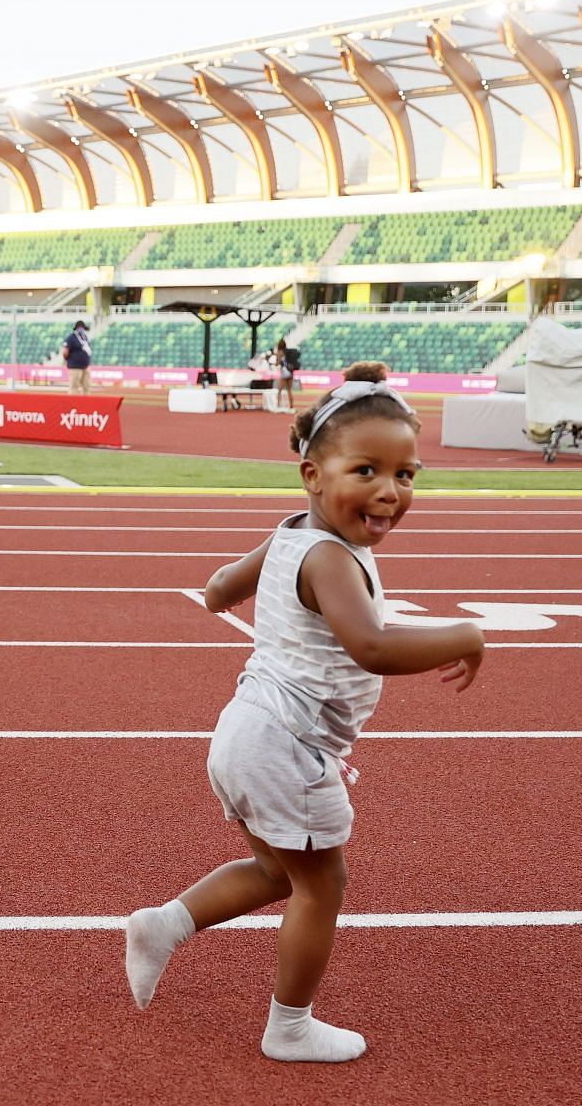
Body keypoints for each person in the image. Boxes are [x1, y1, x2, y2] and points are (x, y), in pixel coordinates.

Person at [121, 360, 485, 1062]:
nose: (388, 491)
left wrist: (229, 595)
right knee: (322, 887)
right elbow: (373, 646)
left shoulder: (291, 533)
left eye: (405, 474)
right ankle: (289, 1028)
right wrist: (467, 634)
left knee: (276, 870)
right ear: (313, 475)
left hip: (246, 728)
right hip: (289, 744)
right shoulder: (332, 560)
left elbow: (221, 587)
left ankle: (163, 925)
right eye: (366, 471)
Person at [62, 318, 93, 393]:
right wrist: (69, 360)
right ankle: (73, 404)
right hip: (75, 366)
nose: (82, 329)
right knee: (74, 387)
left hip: (85, 366)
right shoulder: (71, 337)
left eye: (83, 328)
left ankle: (86, 403)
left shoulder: (85, 337)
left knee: (87, 386)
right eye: (80, 327)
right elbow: (65, 351)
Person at [272, 337, 299, 413]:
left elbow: (278, 363)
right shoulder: (288, 352)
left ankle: (277, 406)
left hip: (284, 373)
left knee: (280, 390)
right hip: (290, 372)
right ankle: (291, 406)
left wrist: (275, 363)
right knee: (289, 390)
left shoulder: (280, 352)